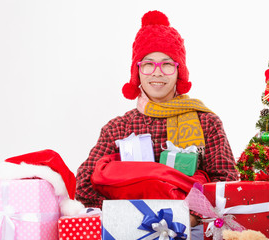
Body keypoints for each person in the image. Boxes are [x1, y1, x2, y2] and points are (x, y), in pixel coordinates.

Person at [75, 10, 239, 239]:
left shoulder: (206, 123)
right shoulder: (117, 128)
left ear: (179, 70)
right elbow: (84, 184)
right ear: (137, 71)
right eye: (148, 64)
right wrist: (129, 212)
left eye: (167, 64)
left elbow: (226, 182)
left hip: (191, 232)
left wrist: (188, 215)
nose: (157, 73)